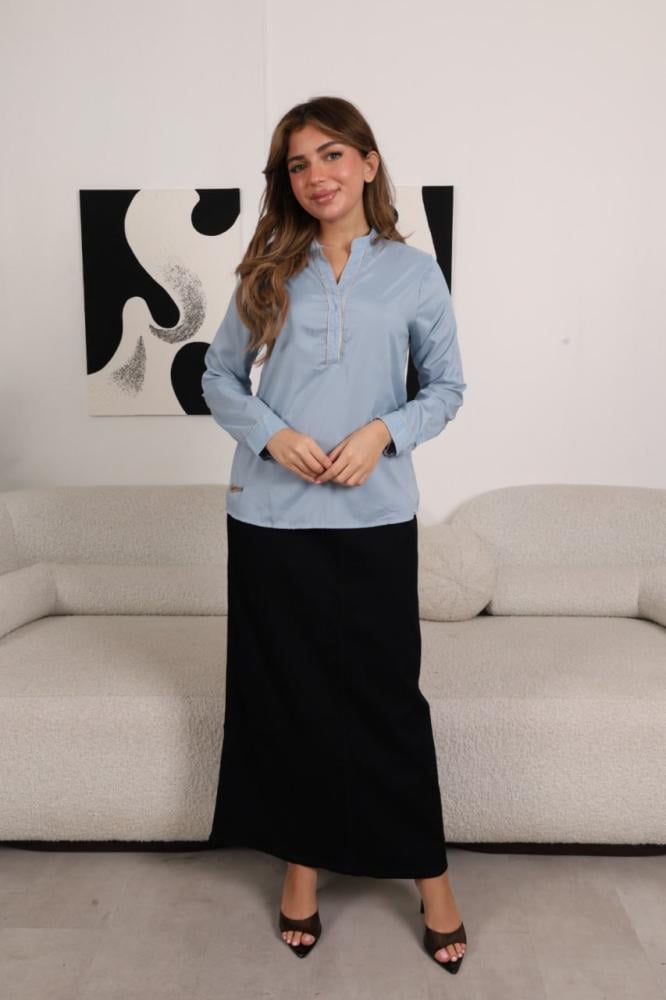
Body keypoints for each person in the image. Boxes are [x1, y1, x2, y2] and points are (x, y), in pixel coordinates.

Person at [201, 95, 468, 972]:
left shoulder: (415, 275)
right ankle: (301, 869)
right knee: (292, 701)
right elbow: (219, 376)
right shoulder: (268, 271)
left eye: (331, 155)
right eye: (298, 164)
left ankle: (431, 879)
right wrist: (269, 433)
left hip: (374, 518)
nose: (316, 175)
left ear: (367, 162)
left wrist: (384, 430)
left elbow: (446, 389)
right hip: (271, 521)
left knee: (389, 701)